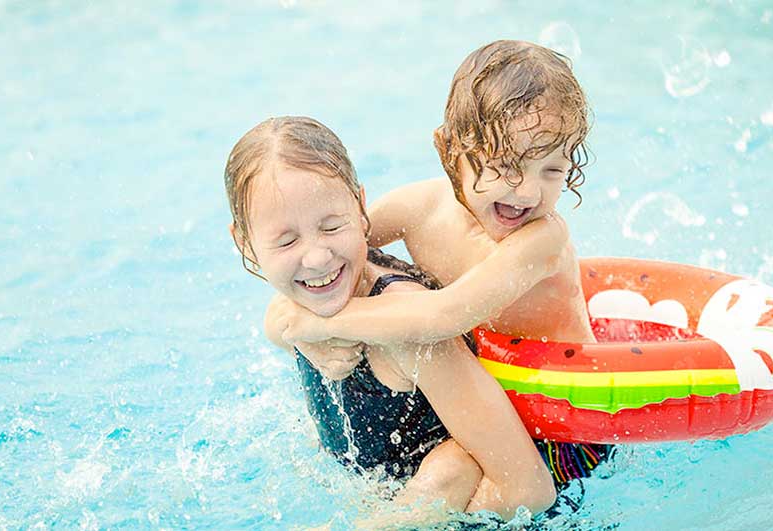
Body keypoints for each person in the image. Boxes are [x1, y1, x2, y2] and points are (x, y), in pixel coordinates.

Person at [277, 40, 613, 490]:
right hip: (484, 412)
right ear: (450, 148)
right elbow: (334, 256)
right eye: (503, 165)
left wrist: (317, 324)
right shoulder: (421, 208)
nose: (527, 192)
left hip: (563, 428)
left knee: (453, 477)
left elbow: (443, 316)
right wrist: (288, 319)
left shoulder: (543, 241)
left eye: (551, 171)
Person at [224, 115, 556, 521]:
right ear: (246, 243)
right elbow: (281, 322)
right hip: (382, 495)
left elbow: (529, 489)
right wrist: (289, 328)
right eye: (287, 240)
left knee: (452, 467)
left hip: (478, 509)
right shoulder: (301, 304)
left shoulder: (409, 335)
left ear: (361, 210)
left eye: (332, 227)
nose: (316, 257)